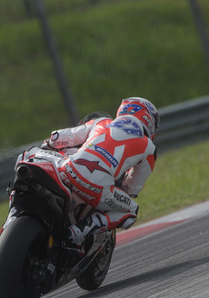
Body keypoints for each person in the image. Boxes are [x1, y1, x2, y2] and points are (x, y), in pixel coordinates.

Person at [43, 97, 159, 252]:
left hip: (68, 169)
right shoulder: (149, 147)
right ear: (149, 119)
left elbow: (59, 137)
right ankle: (79, 231)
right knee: (131, 210)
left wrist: (50, 144)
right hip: (97, 186)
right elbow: (132, 188)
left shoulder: (101, 121)